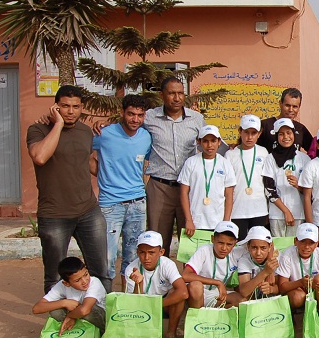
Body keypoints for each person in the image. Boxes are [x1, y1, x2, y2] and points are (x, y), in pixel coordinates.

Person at [27, 85, 109, 292]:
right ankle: (59, 320)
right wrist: (58, 125)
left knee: (100, 270)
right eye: (65, 106)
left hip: (88, 212)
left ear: (82, 108)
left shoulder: (84, 131)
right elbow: (40, 156)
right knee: (55, 275)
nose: (71, 111)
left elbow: (87, 162)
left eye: (75, 106)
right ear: (55, 107)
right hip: (55, 215)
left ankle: (100, 317)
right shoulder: (38, 129)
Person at [91, 94, 152, 289]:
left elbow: (145, 162)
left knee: (133, 257)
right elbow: (82, 153)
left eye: (140, 115)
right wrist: (101, 173)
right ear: (122, 113)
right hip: (110, 205)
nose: (135, 119)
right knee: (106, 257)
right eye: (131, 114)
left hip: (137, 203)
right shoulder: (104, 134)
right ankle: (104, 300)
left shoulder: (146, 137)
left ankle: (127, 299)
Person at [143, 77, 206, 257]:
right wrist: (103, 126)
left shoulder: (197, 119)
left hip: (189, 188)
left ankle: (190, 282)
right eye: (172, 93)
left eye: (180, 93)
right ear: (162, 95)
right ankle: (157, 281)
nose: (177, 98)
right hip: (159, 187)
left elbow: (210, 144)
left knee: (190, 239)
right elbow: (129, 126)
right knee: (157, 239)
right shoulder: (149, 117)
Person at [122, 230, 189, 338]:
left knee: (177, 294)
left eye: (151, 253)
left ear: (161, 252)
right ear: (137, 252)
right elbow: (133, 303)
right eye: (142, 252)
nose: (146, 257)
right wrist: (139, 283)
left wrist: (156, 306)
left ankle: (170, 335)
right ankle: (141, 332)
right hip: (142, 305)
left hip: (163, 304)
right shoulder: (131, 269)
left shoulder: (167, 264)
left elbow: (183, 292)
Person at [178, 125, 237, 237]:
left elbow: (229, 195)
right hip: (196, 222)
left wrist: (226, 221)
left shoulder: (225, 163)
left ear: (219, 142)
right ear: (199, 142)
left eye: (213, 141)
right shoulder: (191, 162)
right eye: (205, 141)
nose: (209, 145)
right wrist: (189, 220)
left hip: (218, 221)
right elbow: (183, 192)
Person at [276, 222, 319, 329]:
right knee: (297, 297)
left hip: (315, 289)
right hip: (297, 289)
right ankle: (293, 312)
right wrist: (300, 282)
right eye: (303, 241)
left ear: (317, 243)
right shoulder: (287, 255)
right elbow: (282, 287)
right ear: (295, 241)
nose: (306, 247)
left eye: (311, 243)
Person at [262, 118, 311, 238]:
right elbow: (269, 190)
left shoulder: (304, 159)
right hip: (277, 214)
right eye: (281, 134)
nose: (285, 137)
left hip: (299, 213)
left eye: (289, 133)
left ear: (294, 134)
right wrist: (286, 211)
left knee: (295, 249)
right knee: (278, 250)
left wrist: (298, 186)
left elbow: (310, 189)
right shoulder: (270, 158)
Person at [32, 256, 107, 333]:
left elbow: (84, 310)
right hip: (77, 316)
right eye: (77, 280)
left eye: (86, 274)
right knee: (55, 311)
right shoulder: (62, 285)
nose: (84, 281)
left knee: (90, 309)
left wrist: (70, 316)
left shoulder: (94, 282)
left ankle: (103, 334)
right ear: (67, 283)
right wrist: (64, 303)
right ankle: (74, 332)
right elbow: (36, 309)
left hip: (100, 318)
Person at [226, 115, 270, 240]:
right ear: (240, 131)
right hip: (237, 209)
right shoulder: (230, 154)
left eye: (253, 133)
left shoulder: (264, 152)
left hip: (259, 209)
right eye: (246, 132)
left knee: (257, 245)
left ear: (259, 133)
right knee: (238, 245)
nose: (250, 137)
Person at [182, 221, 240, 308]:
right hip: (200, 292)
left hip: (218, 293)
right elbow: (185, 275)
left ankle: (212, 315)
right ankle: (198, 317)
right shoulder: (204, 250)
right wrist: (217, 283)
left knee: (241, 300)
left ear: (235, 243)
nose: (224, 248)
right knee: (196, 286)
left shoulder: (236, 253)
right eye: (220, 243)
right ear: (213, 239)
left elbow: (258, 244)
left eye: (229, 244)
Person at [230, 225, 281, 303]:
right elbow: (244, 292)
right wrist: (265, 272)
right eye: (254, 247)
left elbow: (281, 287)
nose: (258, 253)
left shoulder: (277, 257)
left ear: (270, 247)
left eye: (263, 248)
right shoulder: (244, 260)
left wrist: (272, 289)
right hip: (252, 297)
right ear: (248, 246)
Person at [258, 87, 313, 154]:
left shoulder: (301, 129)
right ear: (280, 104)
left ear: (299, 107)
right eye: (287, 105)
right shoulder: (265, 125)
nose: (290, 110)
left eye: (295, 106)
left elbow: (315, 150)